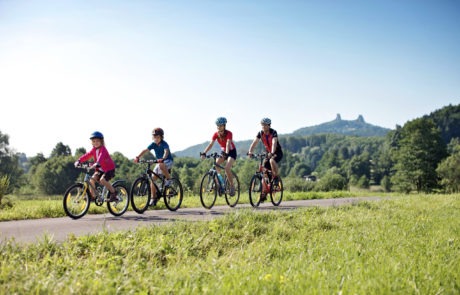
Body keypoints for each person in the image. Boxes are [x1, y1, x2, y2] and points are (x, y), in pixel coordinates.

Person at [74, 131, 118, 202]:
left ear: (101, 141)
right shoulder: (93, 150)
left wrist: (97, 163)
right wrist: (79, 161)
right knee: (91, 180)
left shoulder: (103, 149)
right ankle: (92, 196)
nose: (95, 142)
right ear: (92, 142)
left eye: (97, 141)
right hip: (100, 169)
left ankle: (114, 193)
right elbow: (87, 155)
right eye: (93, 141)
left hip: (109, 169)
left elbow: (101, 156)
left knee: (102, 180)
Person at [134, 127, 173, 206]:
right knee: (152, 179)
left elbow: (166, 151)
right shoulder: (153, 144)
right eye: (154, 137)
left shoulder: (164, 144)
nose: (156, 139)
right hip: (160, 162)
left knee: (161, 165)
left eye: (158, 137)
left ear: (161, 137)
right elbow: (145, 150)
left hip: (168, 160)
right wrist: (138, 157)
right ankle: (153, 198)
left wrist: (163, 158)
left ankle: (169, 179)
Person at [201, 117, 237, 196]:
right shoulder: (216, 134)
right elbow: (211, 144)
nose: (219, 127)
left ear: (224, 126)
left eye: (221, 125)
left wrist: (226, 153)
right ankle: (219, 184)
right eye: (218, 125)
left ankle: (232, 186)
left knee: (227, 168)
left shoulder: (229, 133)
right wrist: (204, 152)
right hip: (223, 151)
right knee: (216, 165)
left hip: (231, 152)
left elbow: (228, 143)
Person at [247, 117, 283, 185]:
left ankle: (276, 177)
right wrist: (250, 151)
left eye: (265, 125)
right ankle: (265, 190)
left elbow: (274, 143)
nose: (263, 126)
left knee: (271, 161)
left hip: (277, 152)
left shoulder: (273, 132)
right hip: (268, 153)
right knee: (263, 168)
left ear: (269, 125)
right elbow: (254, 142)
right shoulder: (260, 133)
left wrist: (272, 152)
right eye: (262, 125)